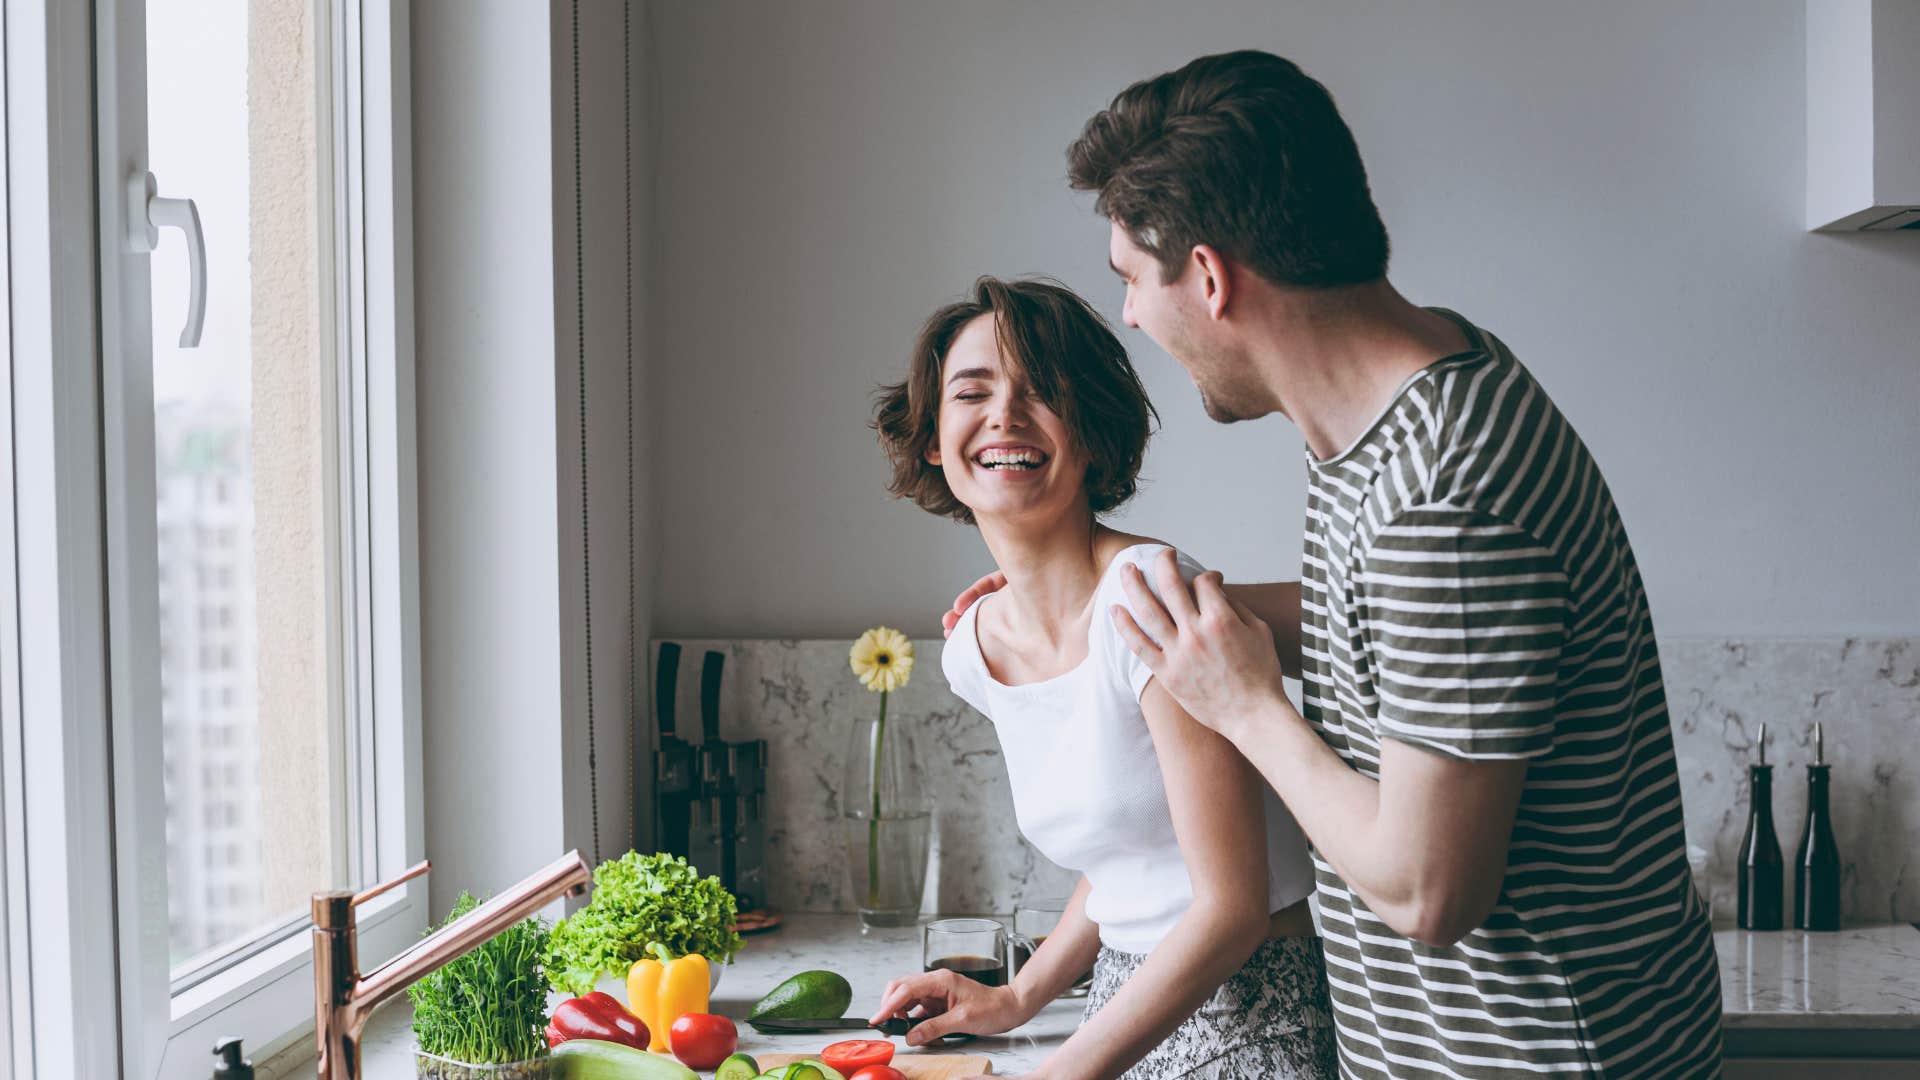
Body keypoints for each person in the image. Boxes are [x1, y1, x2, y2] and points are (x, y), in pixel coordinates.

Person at [949, 50, 1724, 1078]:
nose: (1132, 316)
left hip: (1534, 1058)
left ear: (1210, 277)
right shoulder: (1403, 406)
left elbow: (1428, 892)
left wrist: (1247, 704)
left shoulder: (1443, 487)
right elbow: (1413, 623)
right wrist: (1112, 616)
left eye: (1133, 280)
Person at [867, 276, 1338, 1078]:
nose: (1005, 416)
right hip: (1123, 996)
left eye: (1041, 392)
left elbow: (1229, 912)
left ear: (1091, 436)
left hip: (1255, 1012)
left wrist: (1062, 1072)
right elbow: (1128, 858)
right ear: (933, 442)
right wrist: (1020, 998)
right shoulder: (971, 650)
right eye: (972, 392)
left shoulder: (1151, 600)